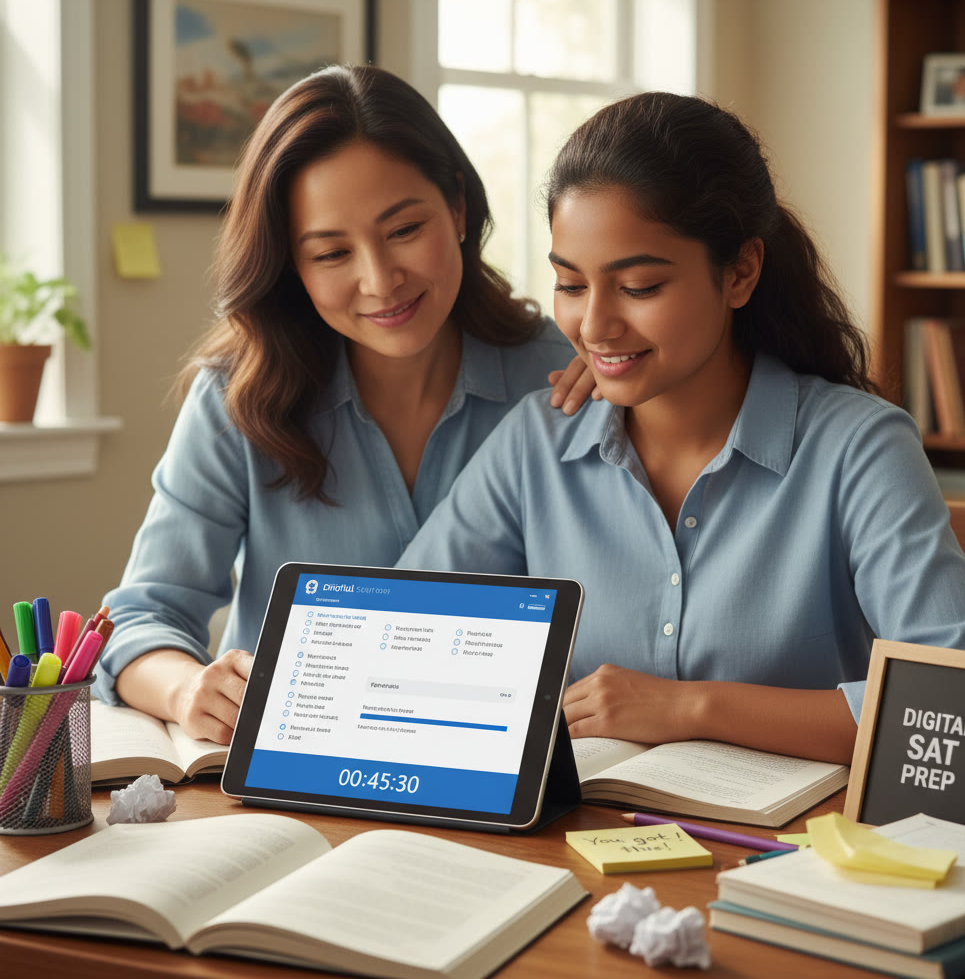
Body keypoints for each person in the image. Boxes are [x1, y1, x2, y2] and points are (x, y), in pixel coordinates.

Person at [397, 91, 965, 765]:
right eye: (572, 285)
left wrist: (689, 706)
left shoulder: (857, 448)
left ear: (740, 272)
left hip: (795, 856)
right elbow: (403, 640)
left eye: (638, 287)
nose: (595, 326)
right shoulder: (536, 442)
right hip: (585, 845)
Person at [95, 65, 597, 743]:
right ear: (290, 267)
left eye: (403, 230)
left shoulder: (562, 377)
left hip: (495, 778)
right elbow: (140, 616)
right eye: (331, 252)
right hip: (287, 776)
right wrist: (187, 688)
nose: (380, 280)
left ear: (455, 206)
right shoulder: (235, 397)